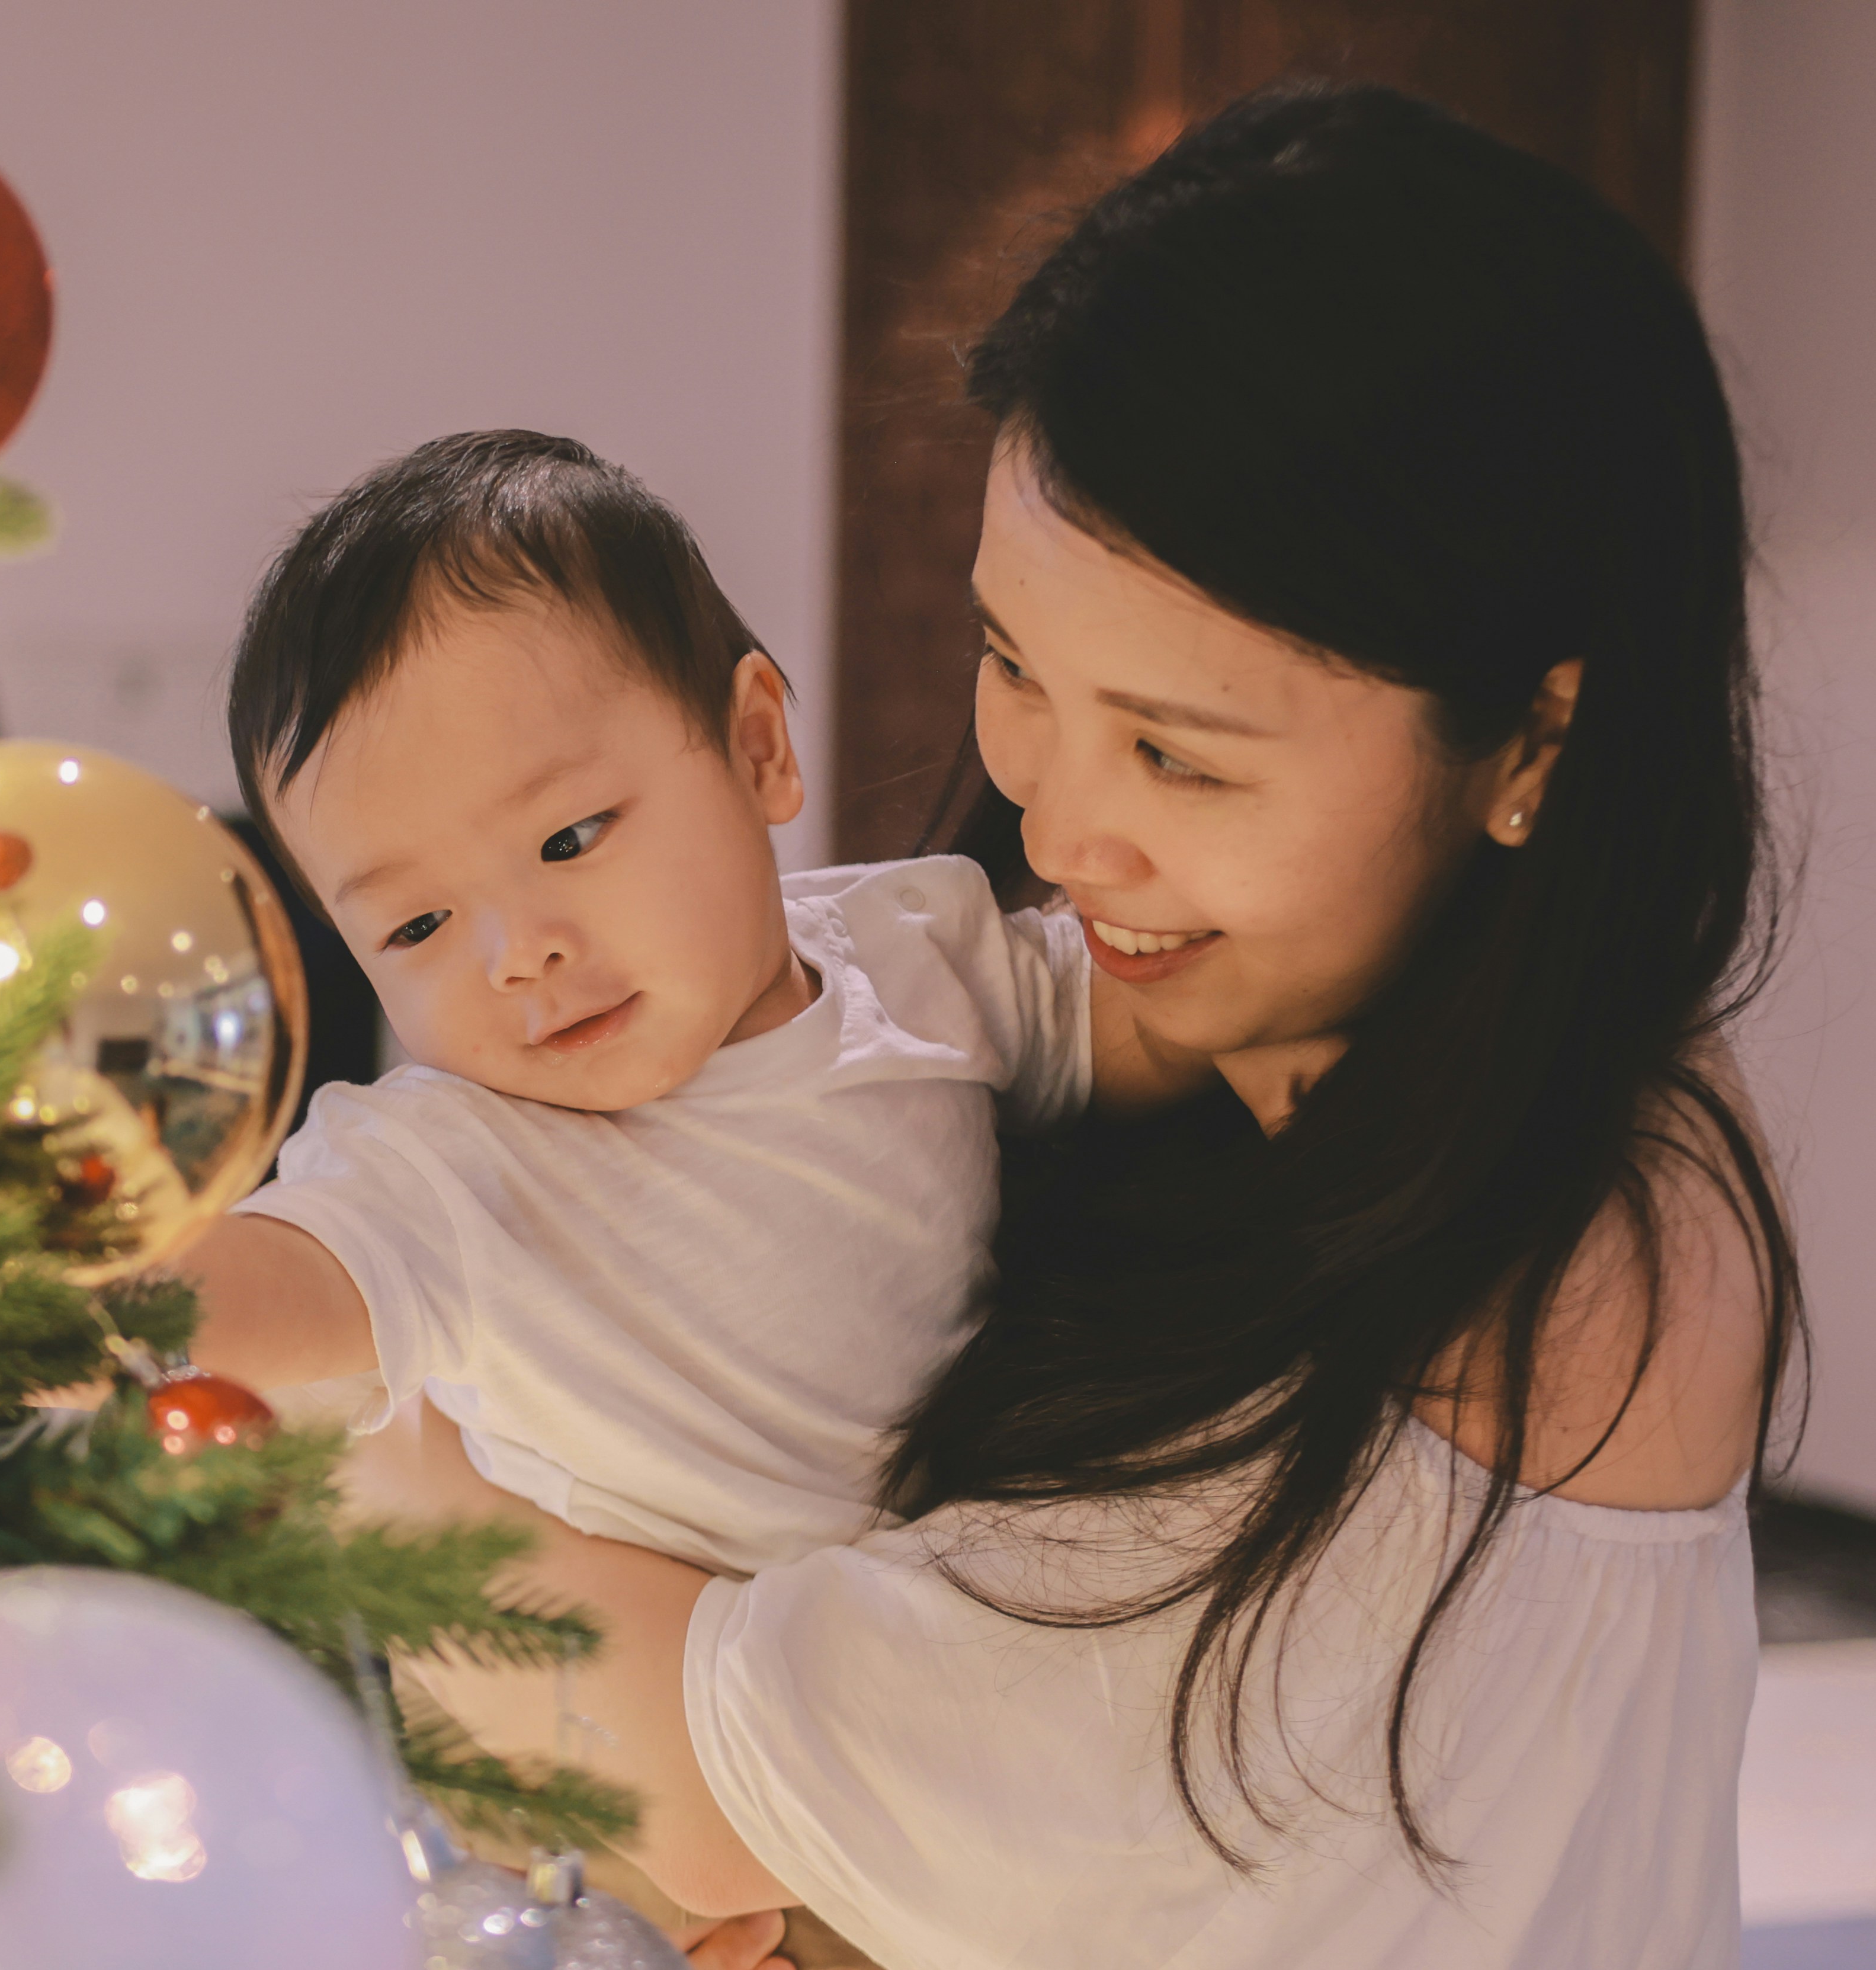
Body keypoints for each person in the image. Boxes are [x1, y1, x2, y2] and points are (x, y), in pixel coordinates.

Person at [354, 82, 1801, 1970]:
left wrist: (375, 1432)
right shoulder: (1198, 1041)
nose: (1051, 822)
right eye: (1012, 663)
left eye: (1178, 756)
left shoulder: (1571, 1257)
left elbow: (714, 1762)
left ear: (1527, 740)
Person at [177, 430, 1176, 1583]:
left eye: (567, 839)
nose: (515, 954)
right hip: (622, 1705)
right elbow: (267, 1283)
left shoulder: (912, 951)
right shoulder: (461, 1164)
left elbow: (1163, 1021)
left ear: (755, 748)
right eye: (416, 927)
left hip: (932, 1625)